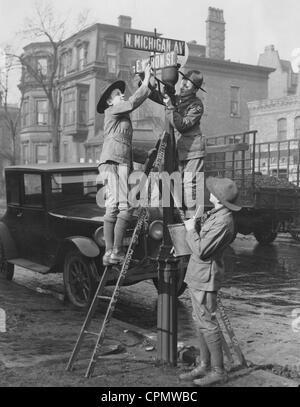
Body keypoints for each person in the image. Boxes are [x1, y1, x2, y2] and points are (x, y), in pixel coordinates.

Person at [179, 176, 241, 387]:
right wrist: (194, 224)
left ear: (220, 199)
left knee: (208, 323)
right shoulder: (217, 214)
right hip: (198, 275)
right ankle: (204, 365)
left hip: (205, 276)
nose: (210, 192)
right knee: (200, 322)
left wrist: (189, 230)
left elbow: (202, 251)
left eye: (213, 190)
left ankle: (218, 371)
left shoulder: (224, 221)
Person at [96, 63, 152, 266]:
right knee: (125, 208)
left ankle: (109, 253)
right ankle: (117, 251)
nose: (121, 96)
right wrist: (146, 81)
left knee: (112, 208)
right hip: (113, 163)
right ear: (110, 101)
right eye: (118, 94)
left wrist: (146, 154)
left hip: (114, 162)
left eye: (121, 93)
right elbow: (132, 102)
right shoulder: (113, 111)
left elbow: (124, 146)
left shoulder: (119, 117)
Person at [149, 70, 206, 218]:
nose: (184, 84)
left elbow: (182, 125)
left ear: (196, 89)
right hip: (178, 152)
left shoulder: (196, 105)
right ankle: (183, 223)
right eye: (184, 80)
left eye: (189, 83)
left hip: (192, 151)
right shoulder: (177, 99)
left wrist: (169, 106)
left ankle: (192, 226)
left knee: (190, 189)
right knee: (176, 187)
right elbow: (153, 94)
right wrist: (145, 79)